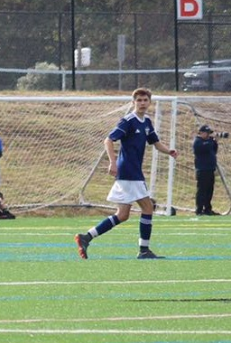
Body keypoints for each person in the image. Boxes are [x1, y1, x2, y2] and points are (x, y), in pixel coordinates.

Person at [75, 87, 178, 260]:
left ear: (149, 102)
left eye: (145, 100)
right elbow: (108, 140)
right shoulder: (128, 120)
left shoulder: (146, 122)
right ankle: (144, 251)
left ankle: (86, 237)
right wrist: (112, 162)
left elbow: (156, 142)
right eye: (139, 100)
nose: (142, 103)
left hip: (133, 172)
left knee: (122, 215)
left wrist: (169, 151)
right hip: (128, 171)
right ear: (133, 102)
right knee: (147, 208)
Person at [193, 124, 220, 216]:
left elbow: (214, 150)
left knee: (209, 190)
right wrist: (212, 141)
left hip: (210, 169)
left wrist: (215, 142)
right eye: (206, 133)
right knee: (202, 190)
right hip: (202, 169)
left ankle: (207, 209)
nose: (208, 135)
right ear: (201, 133)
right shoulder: (198, 142)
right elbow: (205, 147)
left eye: (209, 133)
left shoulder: (209, 142)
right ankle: (199, 209)